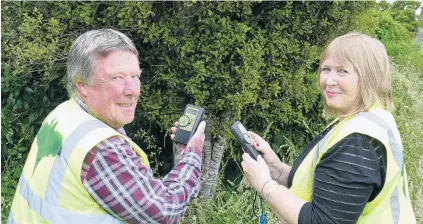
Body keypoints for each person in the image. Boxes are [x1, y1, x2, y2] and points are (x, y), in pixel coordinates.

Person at [8, 29, 206, 224]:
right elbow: (165, 211)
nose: (132, 91)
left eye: (135, 76)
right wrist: (192, 154)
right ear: (82, 86)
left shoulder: (64, 114)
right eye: (116, 78)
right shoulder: (103, 148)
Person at [241, 32, 417, 224]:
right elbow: (326, 189)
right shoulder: (368, 119)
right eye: (326, 69)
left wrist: (265, 185)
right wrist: (276, 169)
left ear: (369, 77)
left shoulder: (358, 141)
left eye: (342, 71)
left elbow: (322, 221)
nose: (329, 80)